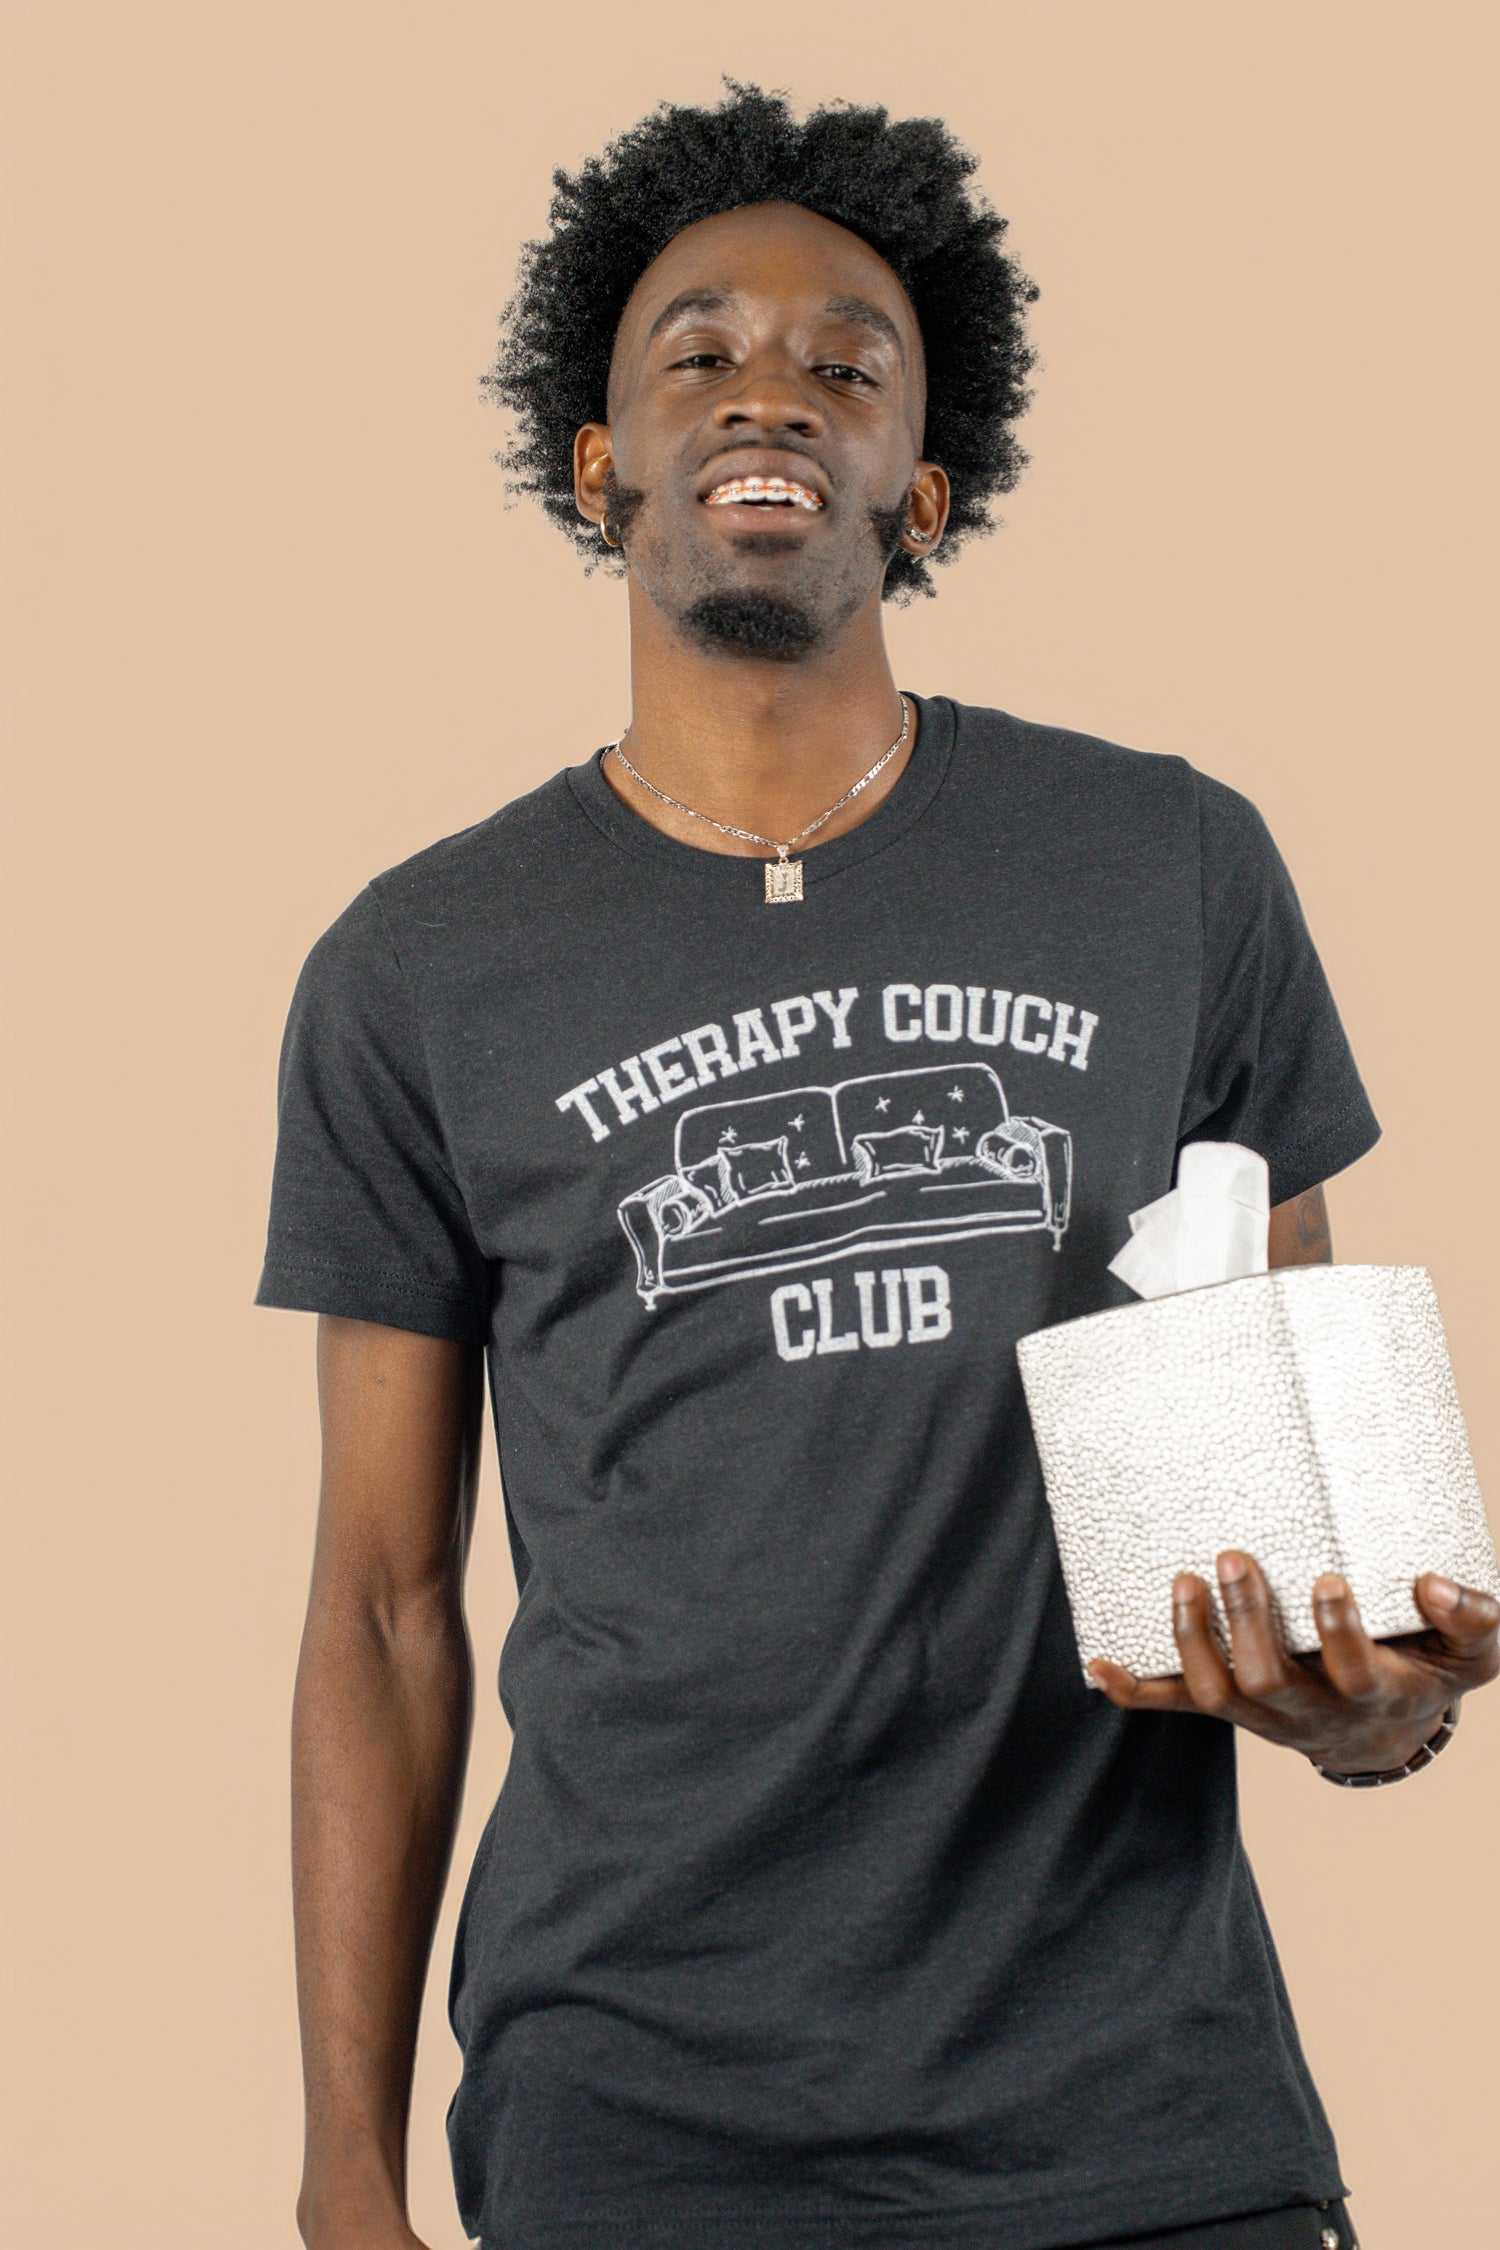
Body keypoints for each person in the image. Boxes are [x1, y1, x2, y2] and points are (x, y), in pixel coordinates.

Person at [257, 85, 1499, 2250]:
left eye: (850, 365)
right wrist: (347, 2166)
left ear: (920, 493)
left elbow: (1318, 1502)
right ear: (598, 469)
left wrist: (1372, 1719)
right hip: (635, 2116)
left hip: (1141, 2115)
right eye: (700, 353)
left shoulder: (1172, 864)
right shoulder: (417, 966)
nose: (774, 391)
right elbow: (379, 1608)